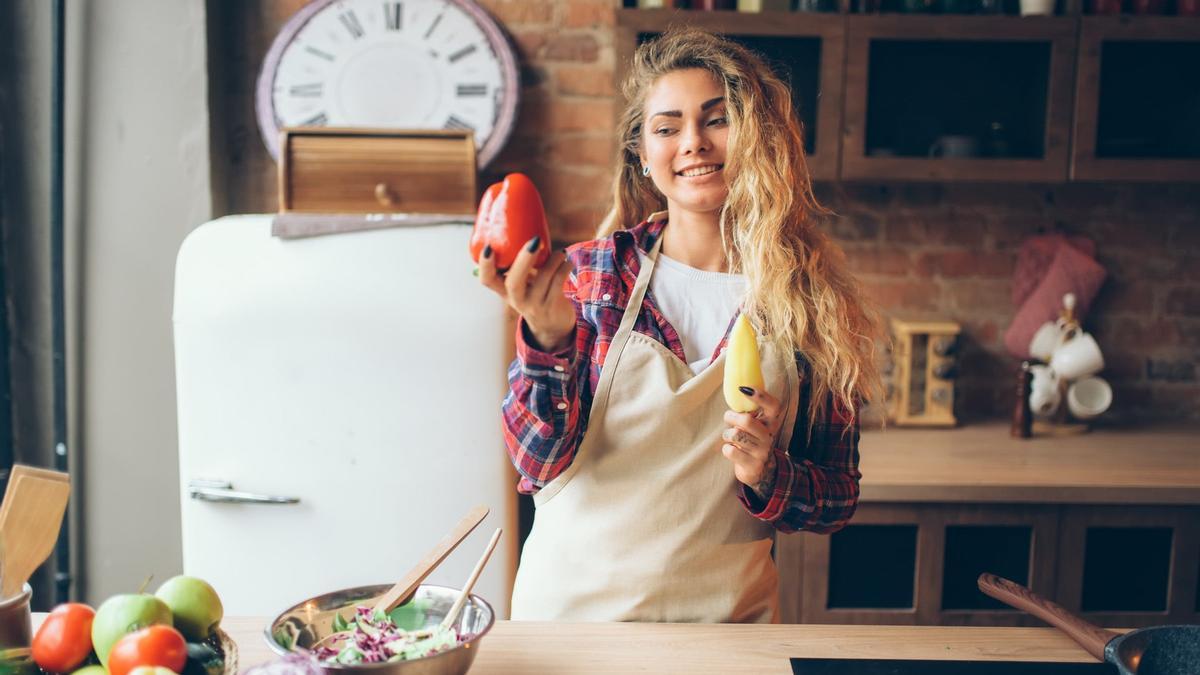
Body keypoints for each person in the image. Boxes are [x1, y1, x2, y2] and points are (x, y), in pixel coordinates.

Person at [477, 27, 883, 624]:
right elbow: (535, 463)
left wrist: (768, 471)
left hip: (726, 635)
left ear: (757, 137)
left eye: (717, 120)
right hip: (571, 628)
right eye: (667, 128)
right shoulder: (592, 276)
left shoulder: (808, 304)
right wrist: (548, 340)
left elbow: (835, 501)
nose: (693, 142)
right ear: (643, 154)